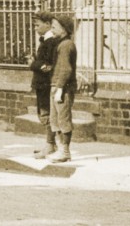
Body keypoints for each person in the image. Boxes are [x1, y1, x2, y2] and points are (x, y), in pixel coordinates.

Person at [29, 11, 59, 159]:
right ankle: (51, 144)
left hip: (45, 84)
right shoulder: (45, 41)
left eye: (37, 25)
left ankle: (49, 145)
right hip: (42, 84)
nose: (35, 27)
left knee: (46, 114)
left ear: (47, 24)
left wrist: (33, 63)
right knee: (44, 114)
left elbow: (48, 66)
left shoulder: (50, 42)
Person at [48, 14, 78, 163]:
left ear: (64, 29)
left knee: (63, 119)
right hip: (56, 86)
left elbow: (66, 69)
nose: (52, 30)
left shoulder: (66, 45)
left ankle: (65, 151)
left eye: (54, 27)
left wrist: (59, 88)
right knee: (55, 120)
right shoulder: (61, 44)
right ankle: (61, 150)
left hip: (63, 88)